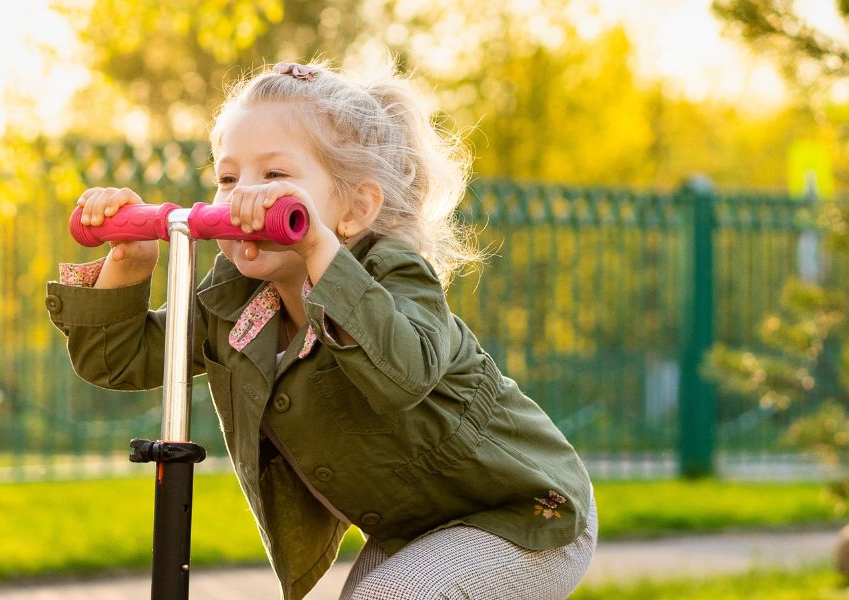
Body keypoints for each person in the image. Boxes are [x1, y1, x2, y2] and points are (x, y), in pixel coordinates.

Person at [45, 61, 595, 599]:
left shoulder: (395, 274)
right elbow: (117, 360)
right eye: (228, 177)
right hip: (416, 524)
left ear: (354, 210)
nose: (241, 198)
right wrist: (131, 262)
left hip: (525, 509)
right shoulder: (233, 300)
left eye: (275, 176)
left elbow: (403, 375)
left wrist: (316, 246)